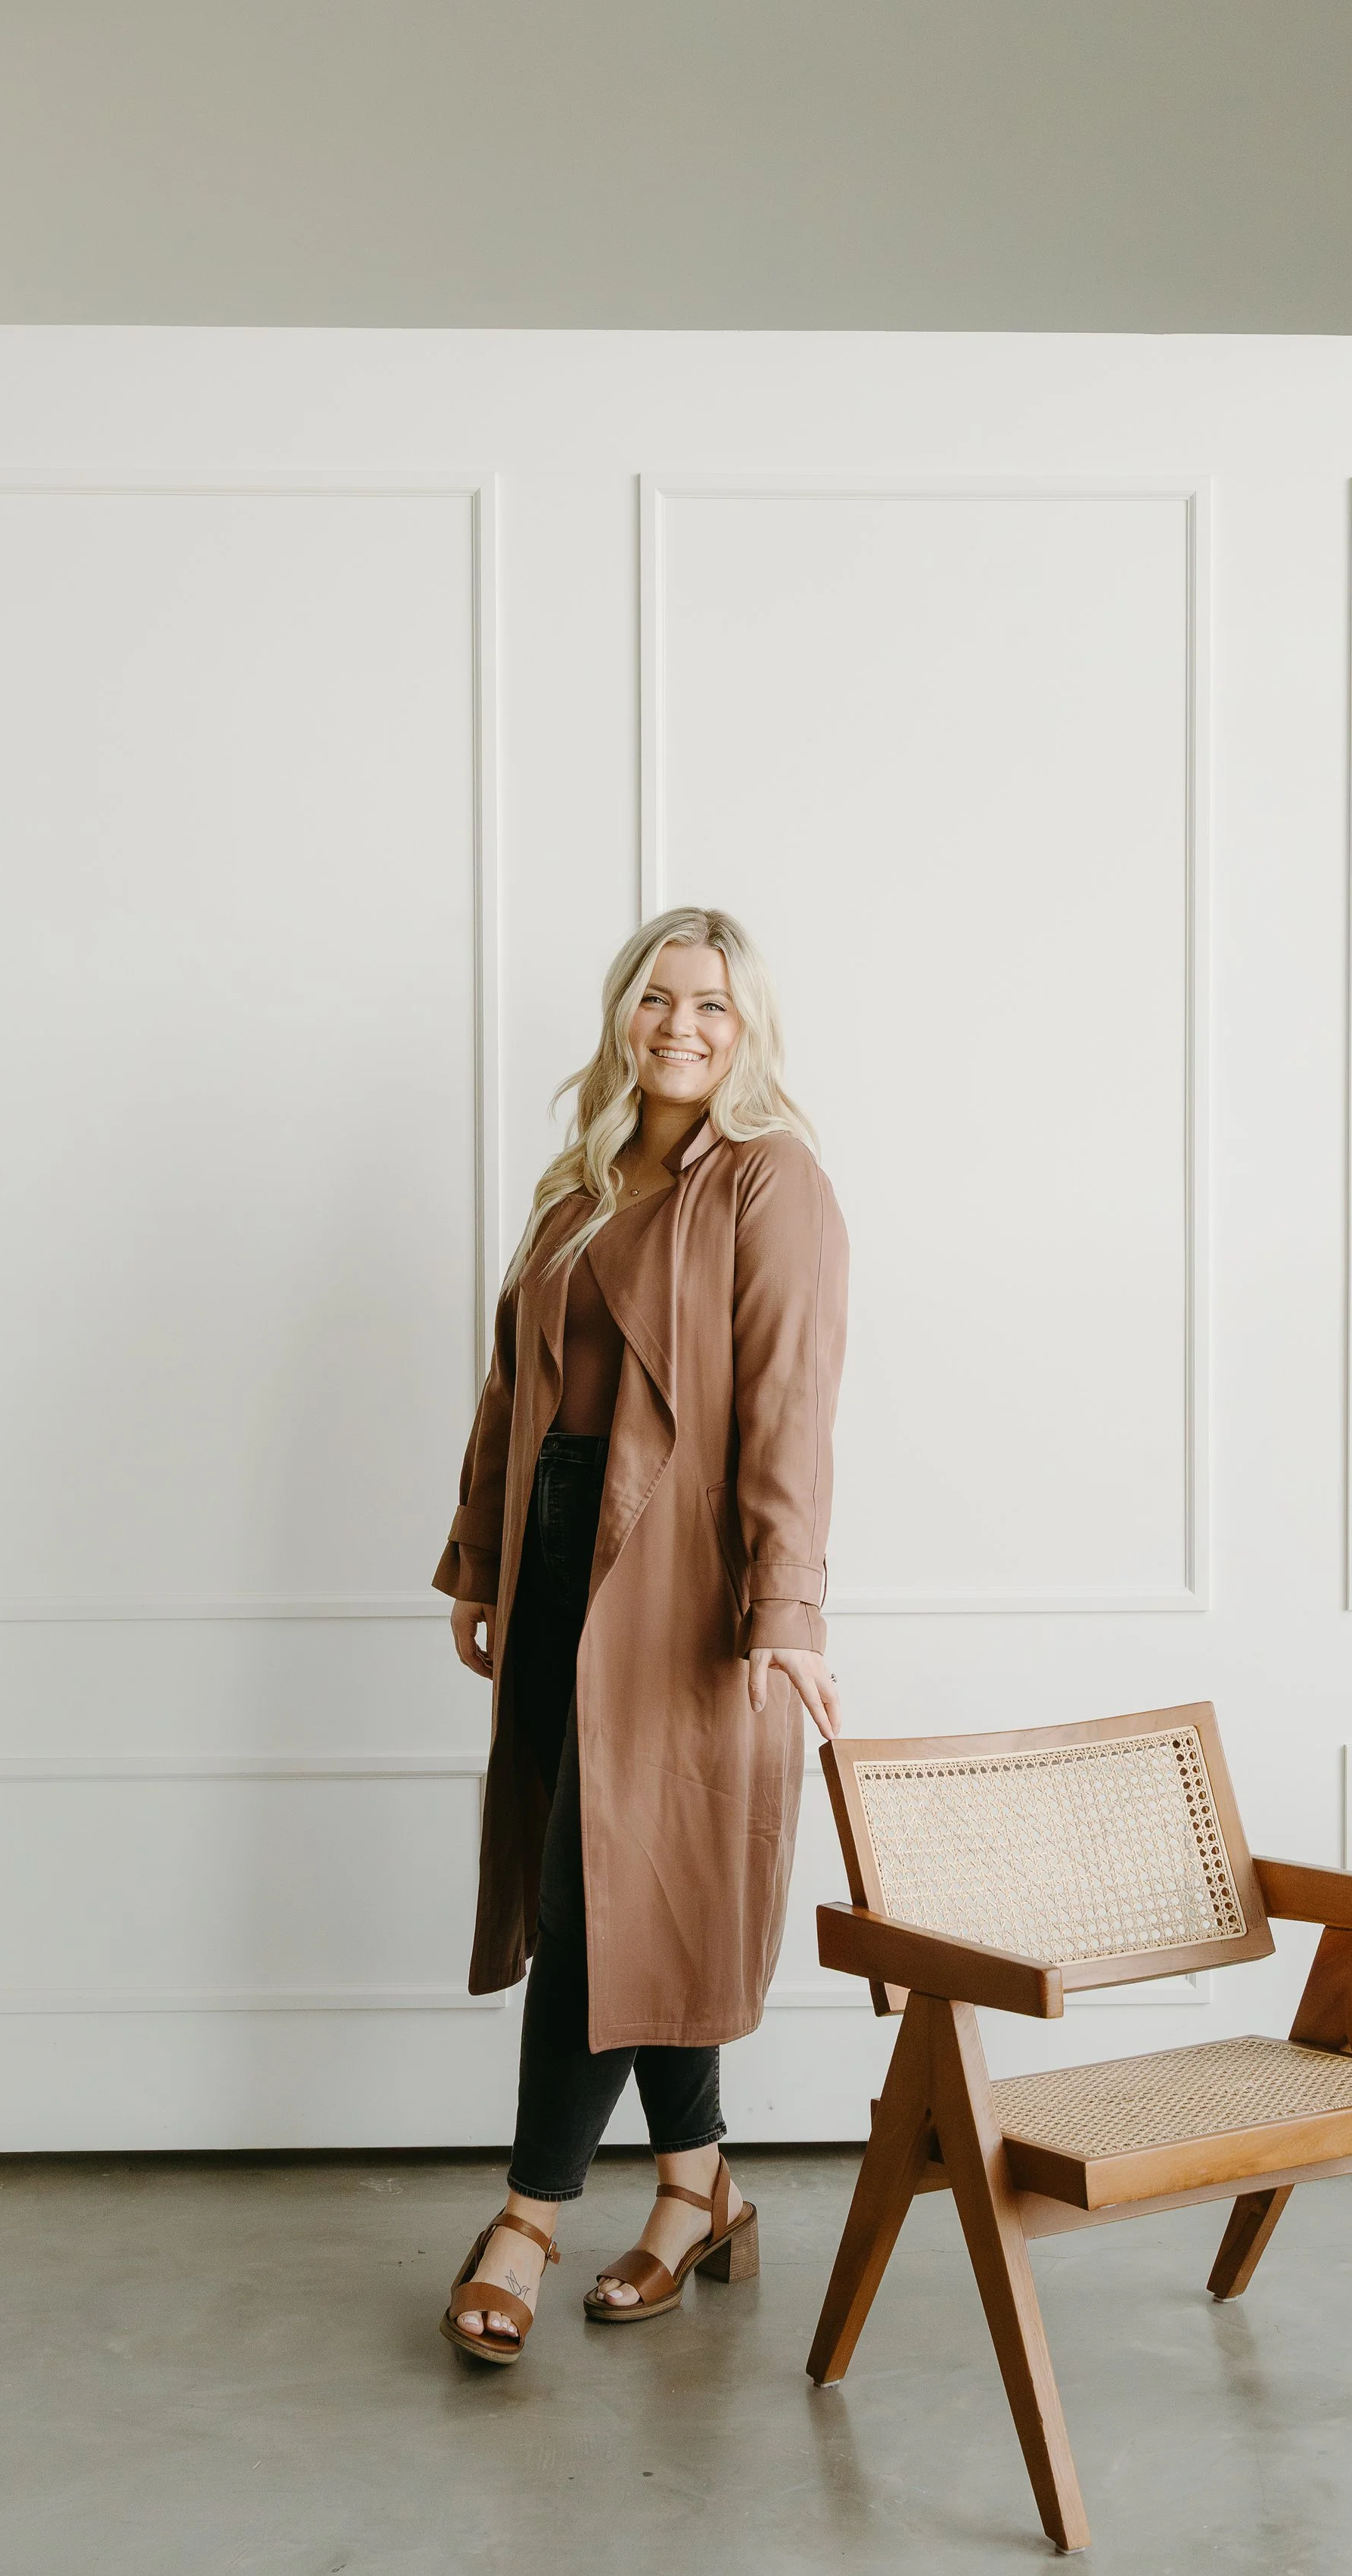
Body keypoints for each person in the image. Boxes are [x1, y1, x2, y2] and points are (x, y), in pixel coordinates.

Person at [434, 907, 848, 2361]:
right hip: (557, 1558)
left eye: (715, 1007)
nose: (682, 1025)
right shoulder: (581, 1186)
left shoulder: (770, 1183)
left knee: (597, 1904)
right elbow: (510, 1393)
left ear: (750, 1031)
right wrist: (484, 1562)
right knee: (634, 1889)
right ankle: (699, 2190)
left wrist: (782, 1607)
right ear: (624, 1013)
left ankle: (527, 2220)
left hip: (681, 1583)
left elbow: (792, 1412)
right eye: (659, 999)